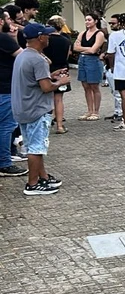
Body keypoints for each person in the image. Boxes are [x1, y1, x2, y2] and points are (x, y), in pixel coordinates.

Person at [12, 23, 70, 195]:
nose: (49, 37)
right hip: (37, 108)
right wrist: (61, 82)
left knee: (33, 147)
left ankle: (42, 177)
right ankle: (32, 183)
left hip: (24, 108)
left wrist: (51, 75)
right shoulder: (38, 59)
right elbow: (45, 87)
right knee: (36, 148)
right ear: (40, 37)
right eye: (46, 35)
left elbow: (33, 79)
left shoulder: (23, 55)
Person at [0, 12, 27, 178]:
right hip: (5, 89)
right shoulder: (3, 39)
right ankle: (4, 163)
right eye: (7, 19)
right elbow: (23, 57)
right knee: (6, 126)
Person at [44, 16, 72, 134]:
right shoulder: (66, 40)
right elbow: (67, 56)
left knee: (45, 98)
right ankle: (60, 126)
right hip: (62, 69)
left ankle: (45, 124)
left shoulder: (45, 39)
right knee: (59, 99)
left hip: (47, 68)